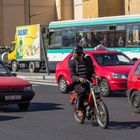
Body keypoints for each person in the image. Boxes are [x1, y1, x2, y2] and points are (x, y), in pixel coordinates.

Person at [68, 46, 94, 116]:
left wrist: (95, 75)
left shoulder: (87, 61)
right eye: (74, 53)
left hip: (87, 81)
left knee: (95, 90)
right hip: (77, 83)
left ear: (81, 54)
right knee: (83, 91)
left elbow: (91, 72)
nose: (74, 55)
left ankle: (93, 106)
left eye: (76, 53)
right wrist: (79, 79)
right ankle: (79, 108)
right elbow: (72, 76)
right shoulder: (72, 63)